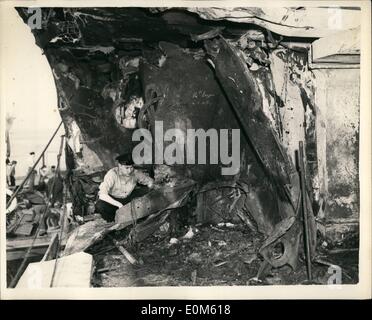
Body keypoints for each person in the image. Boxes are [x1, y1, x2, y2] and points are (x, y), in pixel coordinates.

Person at [95, 153, 155, 222]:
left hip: (128, 198)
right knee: (100, 206)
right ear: (120, 166)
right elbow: (102, 195)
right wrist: (119, 205)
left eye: (131, 167)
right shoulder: (112, 174)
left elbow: (150, 181)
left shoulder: (135, 172)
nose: (129, 171)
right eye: (126, 168)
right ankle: (114, 222)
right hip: (114, 200)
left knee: (149, 193)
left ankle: (142, 218)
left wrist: (150, 186)